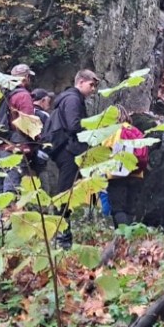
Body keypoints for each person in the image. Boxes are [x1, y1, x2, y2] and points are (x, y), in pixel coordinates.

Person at [50, 69, 100, 249]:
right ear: (80, 82)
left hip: (66, 150)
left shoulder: (69, 98)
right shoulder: (72, 99)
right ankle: (62, 237)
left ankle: (68, 233)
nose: (93, 89)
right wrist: (93, 127)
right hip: (69, 152)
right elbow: (73, 125)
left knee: (71, 191)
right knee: (65, 193)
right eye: (91, 85)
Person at [0, 64, 35, 227]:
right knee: (11, 186)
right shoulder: (23, 96)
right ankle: (6, 225)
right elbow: (28, 123)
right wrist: (32, 142)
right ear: (26, 77)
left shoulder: (3, 94)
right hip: (14, 147)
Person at [103, 105, 149, 228]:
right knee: (130, 209)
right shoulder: (136, 131)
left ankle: (124, 238)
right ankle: (130, 238)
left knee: (118, 208)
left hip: (117, 175)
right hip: (136, 174)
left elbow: (103, 153)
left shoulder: (112, 132)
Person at [31, 88, 55, 196]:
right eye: (48, 101)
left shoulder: (25, 113)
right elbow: (50, 136)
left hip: (25, 155)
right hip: (40, 158)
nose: (49, 105)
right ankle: (44, 210)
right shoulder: (44, 115)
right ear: (43, 101)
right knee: (44, 188)